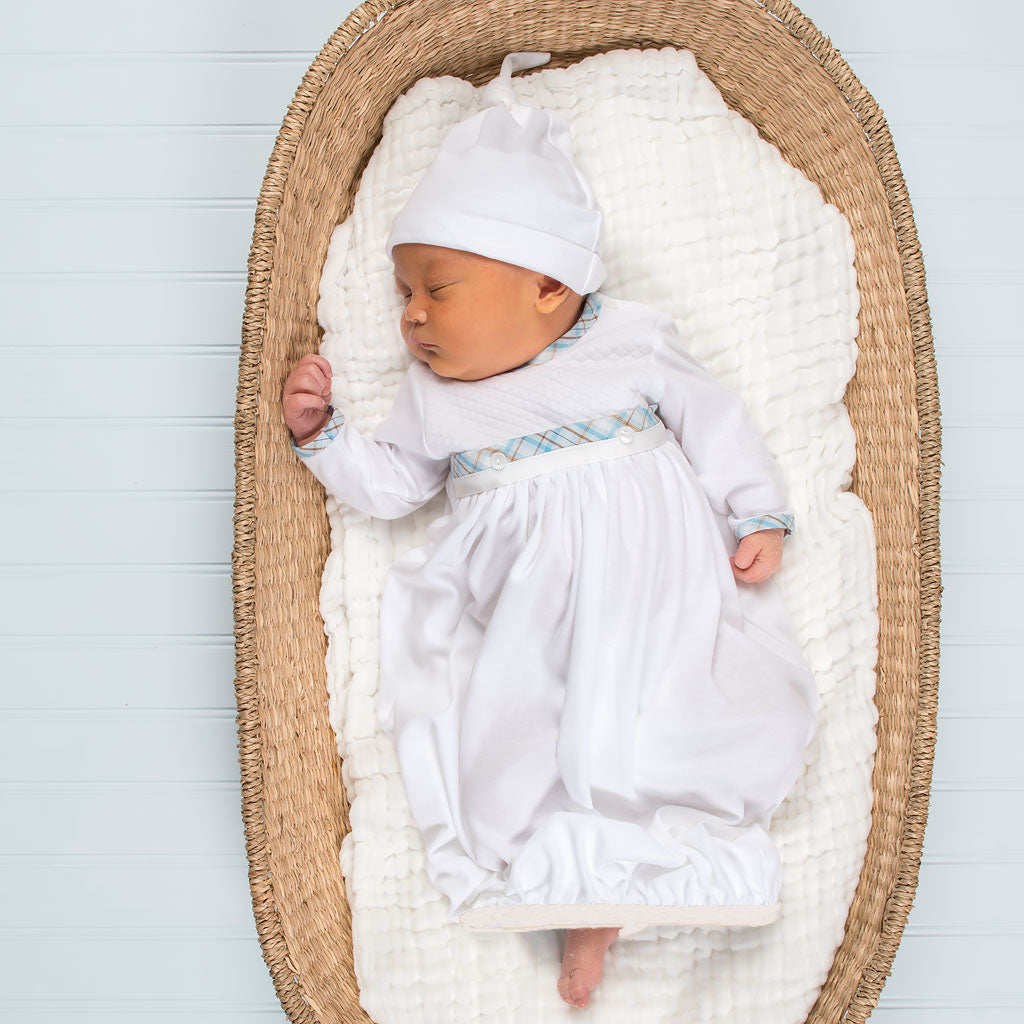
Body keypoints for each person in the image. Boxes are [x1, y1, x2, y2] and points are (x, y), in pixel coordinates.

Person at [282, 52, 818, 1011]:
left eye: (435, 289)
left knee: (679, 718)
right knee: (519, 740)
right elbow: (397, 485)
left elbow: (713, 417)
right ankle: (577, 903)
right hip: (530, 611)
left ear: (546, 285)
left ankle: (631, 887)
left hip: (653, 593)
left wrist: (756, 509)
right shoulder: (434, 398)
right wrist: (326, 439)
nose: (409, 318)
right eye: (404, 292)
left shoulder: (627, 342)